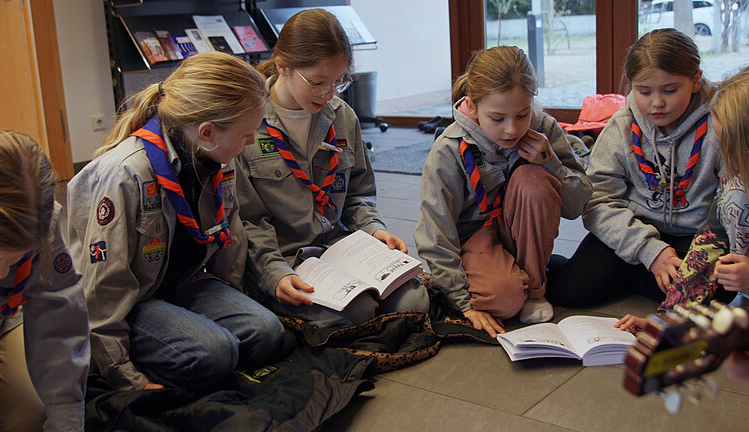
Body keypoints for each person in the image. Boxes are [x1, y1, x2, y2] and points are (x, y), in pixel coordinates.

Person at [67, 52, 285, 392]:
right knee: (214, 353)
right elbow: (101, 291)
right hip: (130, 301)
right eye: (246, 135)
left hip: (182, 282)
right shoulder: (123, 174)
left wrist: (236, 300)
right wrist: (123, 376)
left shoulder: (217, 158)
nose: (251, 142)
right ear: (207, 132)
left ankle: (194, 351)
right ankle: (163, 357)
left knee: (266, 332)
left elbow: (229, 236)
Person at [233, 9, 429, 327]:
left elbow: (358, 193)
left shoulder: (341, 115)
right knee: (357, 313)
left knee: (413, 303)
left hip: (337, 247)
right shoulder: (247, 124)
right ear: (282, 66)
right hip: (283, 258)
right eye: (318, 82)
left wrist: (374, 230)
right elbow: (248, 222)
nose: (328, 94)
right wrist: (275, 274)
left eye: (339, 81)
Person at [413, 46, 592, 338]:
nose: (511, 129)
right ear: (472, 106)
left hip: (520, 231)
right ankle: (512, 278)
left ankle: (534, 289)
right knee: (505, 300)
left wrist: (552, 164)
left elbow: (576, 207)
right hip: (475, 239)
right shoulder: (449, 148)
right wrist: (462, 302)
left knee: (532, 179)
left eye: (522, 115)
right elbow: (435, 232)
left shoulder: (544, 128)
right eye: (497, 118)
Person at [547, 28, 722, 307]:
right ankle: (642, 275)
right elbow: (597, 202)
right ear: (631, 86)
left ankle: (633, 279)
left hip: (695, 235)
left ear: (696, 81)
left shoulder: (721, 125)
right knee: (570, 291)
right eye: (644, 91)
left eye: (670, 90)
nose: (657, 103)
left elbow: (729, 206)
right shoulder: (622, 126)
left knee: (712, 295)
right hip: (632, 229)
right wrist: (648, 250)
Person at [616, 67, 749, 333]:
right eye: (722, 147)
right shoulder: (734, 183)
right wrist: (665, 320)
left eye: (735, 149)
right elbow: (708, 247)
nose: (729, 162)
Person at [0, 131, 89, 431]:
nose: (0, 273)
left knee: (28, 416)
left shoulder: (40, 224)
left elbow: (59, 323)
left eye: (13, 259)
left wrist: (66, 422)